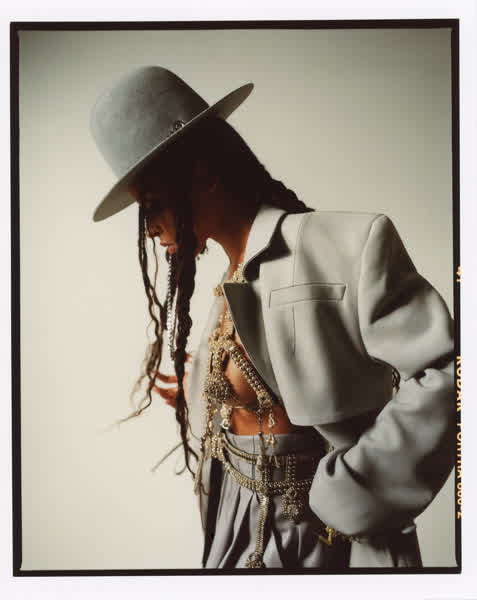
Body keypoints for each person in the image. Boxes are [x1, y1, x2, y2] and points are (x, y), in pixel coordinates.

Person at [90, 66, 455, 569]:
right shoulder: (228, 283)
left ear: (203, 175)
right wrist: (204, 386)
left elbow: (449, 373)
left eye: (152, 205)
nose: (149, 227)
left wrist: (354, 492)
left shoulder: (343, 245)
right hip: (230, 525)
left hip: (315, 539)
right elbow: (279, 374)